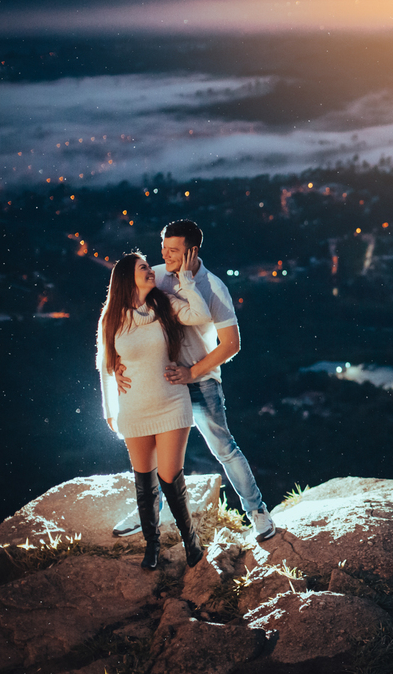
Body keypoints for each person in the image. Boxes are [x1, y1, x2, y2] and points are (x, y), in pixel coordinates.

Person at [111, 219, 276, 543]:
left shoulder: (214, 287)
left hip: (199, 380)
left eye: (174, 250)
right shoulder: (154, 275)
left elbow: (231, 344)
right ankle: (150, 509)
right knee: (154, 452)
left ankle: (257, 512)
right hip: (162, 380)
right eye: (164, 248)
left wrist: (193, 372)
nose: (166, 255)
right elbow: (122, 314)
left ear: (192, 251)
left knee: (223, 448)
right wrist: (117, 361)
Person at [98, 249, 209, 571]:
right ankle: (152, 546)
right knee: (143, 480)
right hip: (134, 409)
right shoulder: (112, 317)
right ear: (126, 278)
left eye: (148, 266)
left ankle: (191, 541)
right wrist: (110, 411)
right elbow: (105, 367)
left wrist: (186, 280)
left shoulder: (165, 305)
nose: (150, 272)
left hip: (172, 402)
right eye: (143, 268)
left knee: (169, 476)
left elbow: (200, 315)